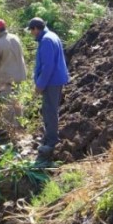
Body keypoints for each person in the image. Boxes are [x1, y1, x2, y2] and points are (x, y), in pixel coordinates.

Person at [28, 17, 69, 161]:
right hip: (55, 80)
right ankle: (48, 136)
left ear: (36, 29)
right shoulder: (52, 36)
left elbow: (48, 66)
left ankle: (52, 142)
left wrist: (40, 85)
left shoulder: (46, 40)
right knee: (49, 109)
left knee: (49, 110)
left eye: (31, 31)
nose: (32, 34)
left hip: (51, 82)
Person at [0, 19, 26, 127]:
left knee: (7, 105)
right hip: (20, 76)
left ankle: (10, 129)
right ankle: (20, 127)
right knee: (17, 103)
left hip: (7, 79)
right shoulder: (15, 38)